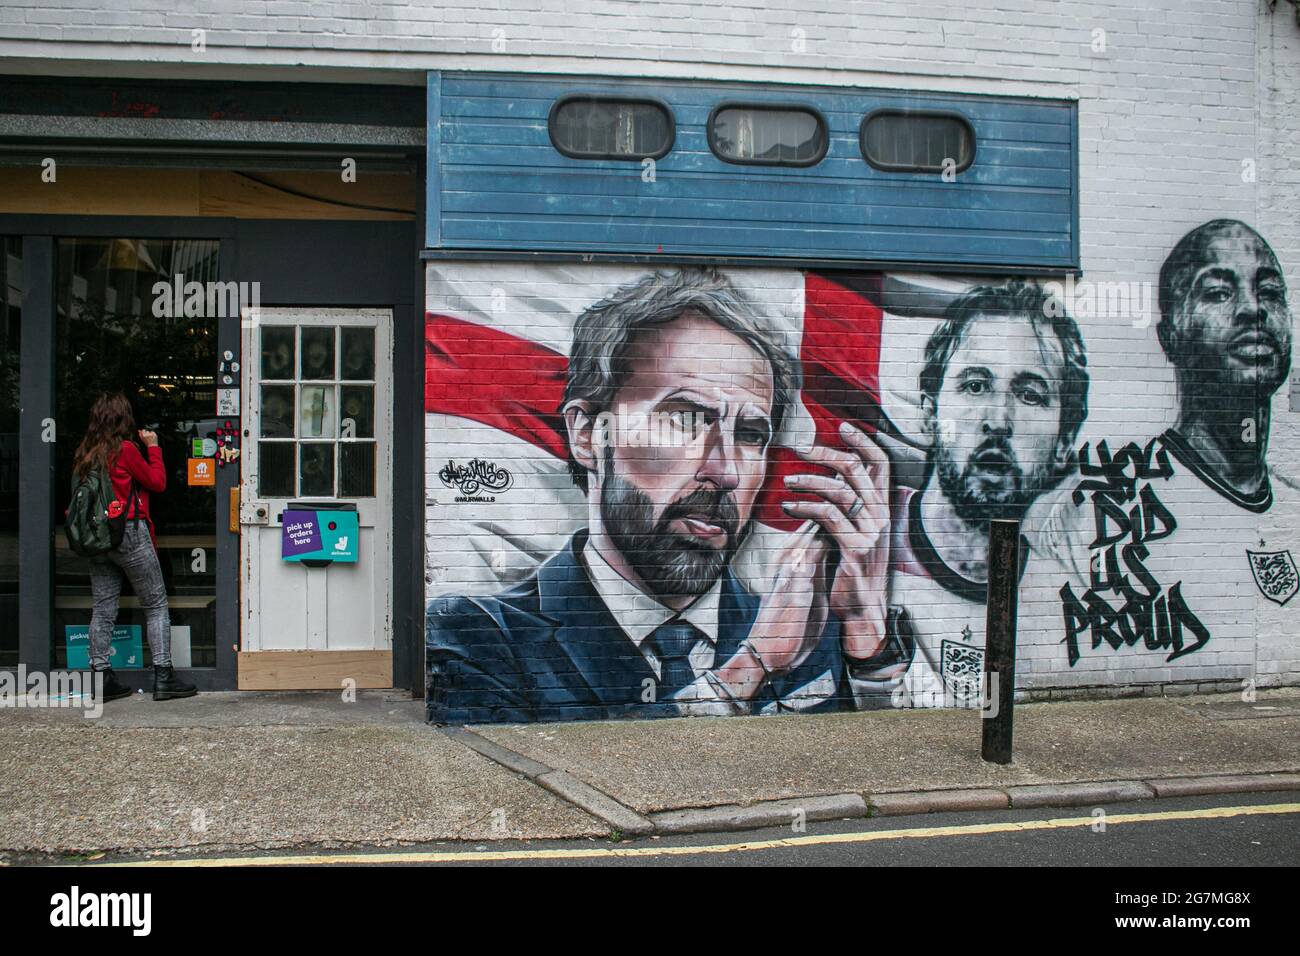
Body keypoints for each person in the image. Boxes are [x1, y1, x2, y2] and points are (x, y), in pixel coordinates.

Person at [426, 269, 894, 723]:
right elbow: (546, 788)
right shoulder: (477, 635)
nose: (725, 471)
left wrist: (868, 645)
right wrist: (747, 669)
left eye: (751, 435)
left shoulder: (803, 630)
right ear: (588, 435)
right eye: (686, 419)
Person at [857, 280, 1089, 706]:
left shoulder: (1071, 596)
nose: (998, 421)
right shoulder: (859, 558)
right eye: (976, 385)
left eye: (1030, 394)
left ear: (1064, 440)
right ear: (929, 413)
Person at [1156, 218, 1292, 509]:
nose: (1253, 308)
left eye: (1269, 291)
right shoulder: (1122, 511)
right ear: (1170, 337)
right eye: (1218, 293)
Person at [72, 393, 196, 702]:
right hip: (128, 532)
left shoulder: (85, 453)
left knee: (103, 608)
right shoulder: (124, 450)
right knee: (155, 604)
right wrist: (153, 448)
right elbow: (157, 482)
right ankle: (164, 676)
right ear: (123, 419)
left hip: (99, 539)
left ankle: (101, 678)